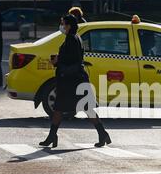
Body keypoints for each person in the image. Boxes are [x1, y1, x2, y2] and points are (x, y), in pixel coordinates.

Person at [39, 14, 111, 148]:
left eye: (63, 23)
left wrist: (57, 62)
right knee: (60, 108)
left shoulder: (72, 39)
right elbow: (71, 58)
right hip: (72, 80)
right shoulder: (72, 38)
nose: (61, 26)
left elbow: (74, 61)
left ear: (69, 25)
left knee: (68, 108)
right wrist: (59, 61)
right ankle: (52, 136)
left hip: (72, 81)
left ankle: (102, 133)